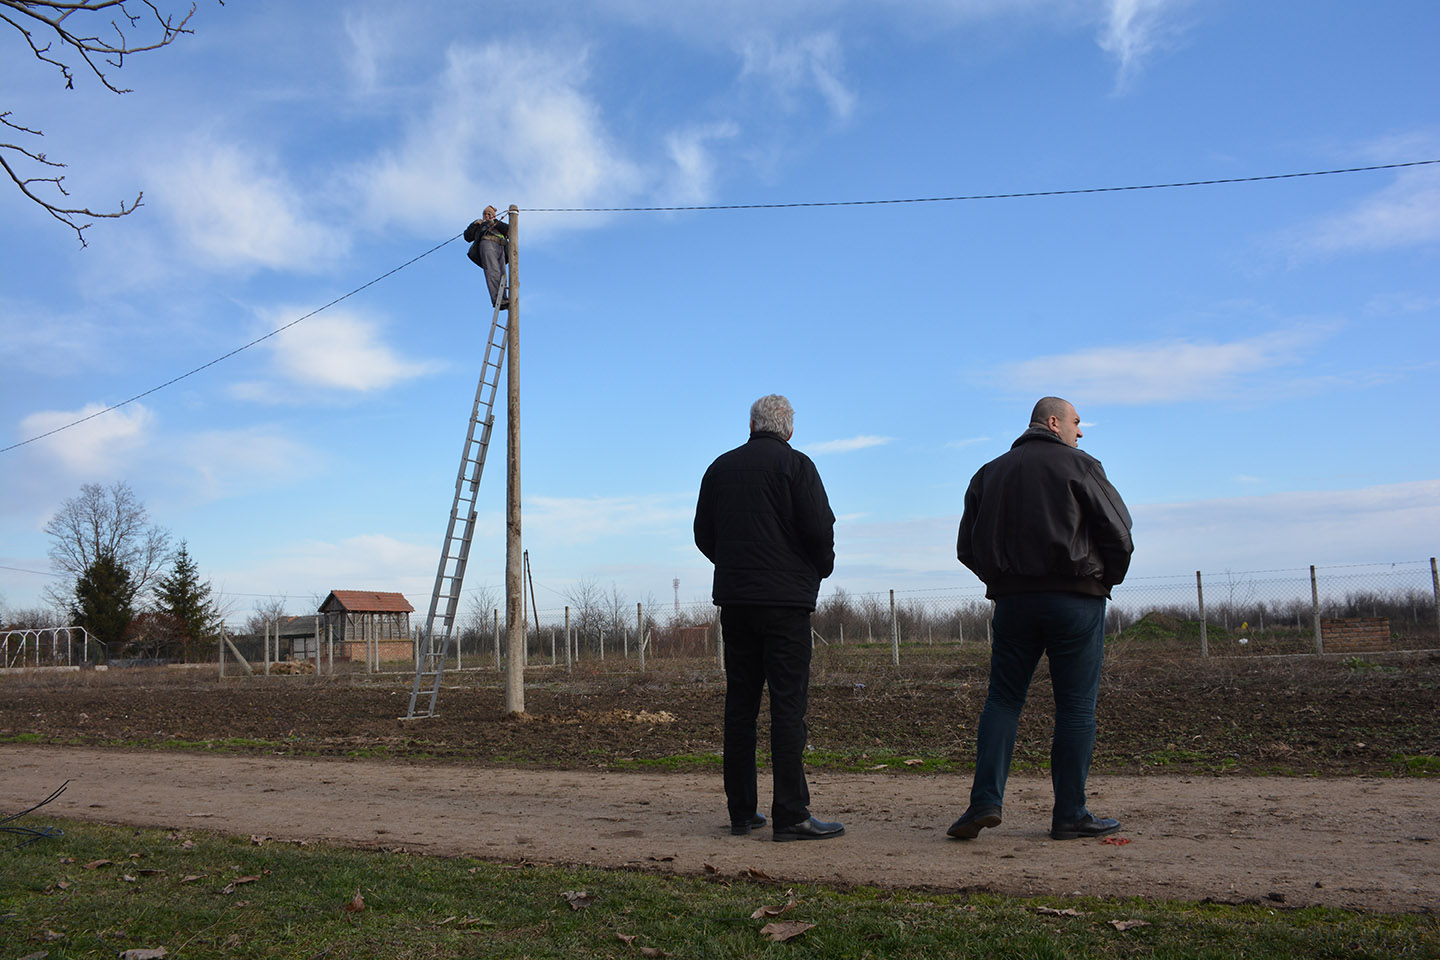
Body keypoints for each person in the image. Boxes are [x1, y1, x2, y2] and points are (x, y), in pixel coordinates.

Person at [948, 396, 1133, 842]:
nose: (1080, 431)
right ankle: (1070, 813)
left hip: (1014, 605)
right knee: (1075, 707)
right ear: (1054, 422)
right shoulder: (1082, 466)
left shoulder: (988, 474)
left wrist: (1001, 581)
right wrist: (1103, 581)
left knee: (1004, 700)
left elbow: (966, 547)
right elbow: (1119, 534)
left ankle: (984, 802)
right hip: (1075, 601)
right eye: (1076, 421)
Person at [694, 394, 844, 842]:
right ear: (789, 429)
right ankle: (792, 815)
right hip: (786, 606)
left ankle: (742, 812)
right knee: (787, 708)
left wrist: (734, 565)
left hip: (736, 605)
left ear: (752, 425)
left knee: (740, 706)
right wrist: (816, 567)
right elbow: (819, 528)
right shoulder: (797, 467)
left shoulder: (719, 469)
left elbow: (703, 534)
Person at [463, 205, 510, 309]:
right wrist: (475, 224)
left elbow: (509, 231)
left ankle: (503, 298)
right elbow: (467, 237)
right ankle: (497, 299)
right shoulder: (480, 225)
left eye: (490, 214)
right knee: (493, 271)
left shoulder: (498, 224)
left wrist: (494, 222)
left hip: (501, 247)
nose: (487, 216)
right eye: (485, 214)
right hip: (488, 244)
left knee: (502, 274)